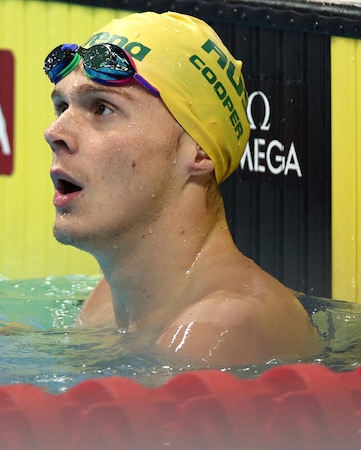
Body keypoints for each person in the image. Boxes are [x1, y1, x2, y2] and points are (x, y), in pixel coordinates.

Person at [43, 11, 323, 367]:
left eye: (102, 108)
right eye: (62, 106)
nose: (54, 132)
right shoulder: (104, 307)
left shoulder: (222, 327)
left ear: (200, 150)